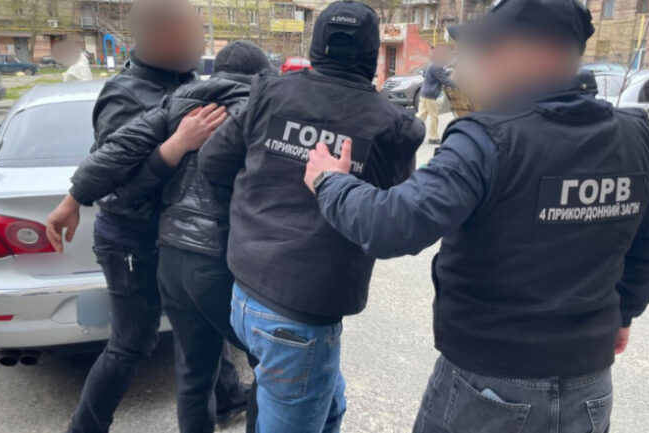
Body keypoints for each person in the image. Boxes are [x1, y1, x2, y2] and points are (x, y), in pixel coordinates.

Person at [303, 0, 649, 432]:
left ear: (526, 54)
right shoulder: (633, 135)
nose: (473, 64)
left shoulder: (487, 139)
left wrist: (329, 181)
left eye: (486, 49)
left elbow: (392, 225)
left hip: (490, 389)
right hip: (588, 388)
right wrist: (623, 314)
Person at [197, 2, 424, 431]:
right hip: (298, 318)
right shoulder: (393, 125)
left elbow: (212, 164)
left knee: (329, 405)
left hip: (246, 293)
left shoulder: (270, 93)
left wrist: (252, 217)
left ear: (317, 45)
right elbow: (392, 224)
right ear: (371, 52)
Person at [45, 1, 247, 432]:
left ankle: (228, 397)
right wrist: (176, 145)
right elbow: (118, 192)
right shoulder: (124, 94)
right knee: (131, 344)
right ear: (158, 37)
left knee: (201, 329)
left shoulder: (190, 83)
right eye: (193, 32)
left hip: (177, 239)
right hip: (131, 240)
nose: (202, 41)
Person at [416, 44, 456, 144]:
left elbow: (434, 74)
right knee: (434, 117)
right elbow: (444, 79)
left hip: (424, 94)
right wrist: (458, 86)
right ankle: (433, 137)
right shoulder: (435, 66)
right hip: (429, 96)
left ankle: (408, 131)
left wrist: (448, 71)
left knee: (421, 116)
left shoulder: (433, 64)